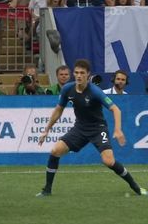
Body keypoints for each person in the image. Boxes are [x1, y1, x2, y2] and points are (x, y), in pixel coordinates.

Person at [36, 59, 146, 197]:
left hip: (98, 129)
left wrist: (117, 129)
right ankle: (47, 190)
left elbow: (116, 109)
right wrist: (47, 130)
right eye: (76, 72)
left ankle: (135, 186)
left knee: (108, 161)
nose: (79, 75)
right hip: (79, 128)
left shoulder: (95, 91)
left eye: (82, 73)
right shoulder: (67, 89)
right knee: (55, 151)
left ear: (88, 75)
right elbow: (59, 110)